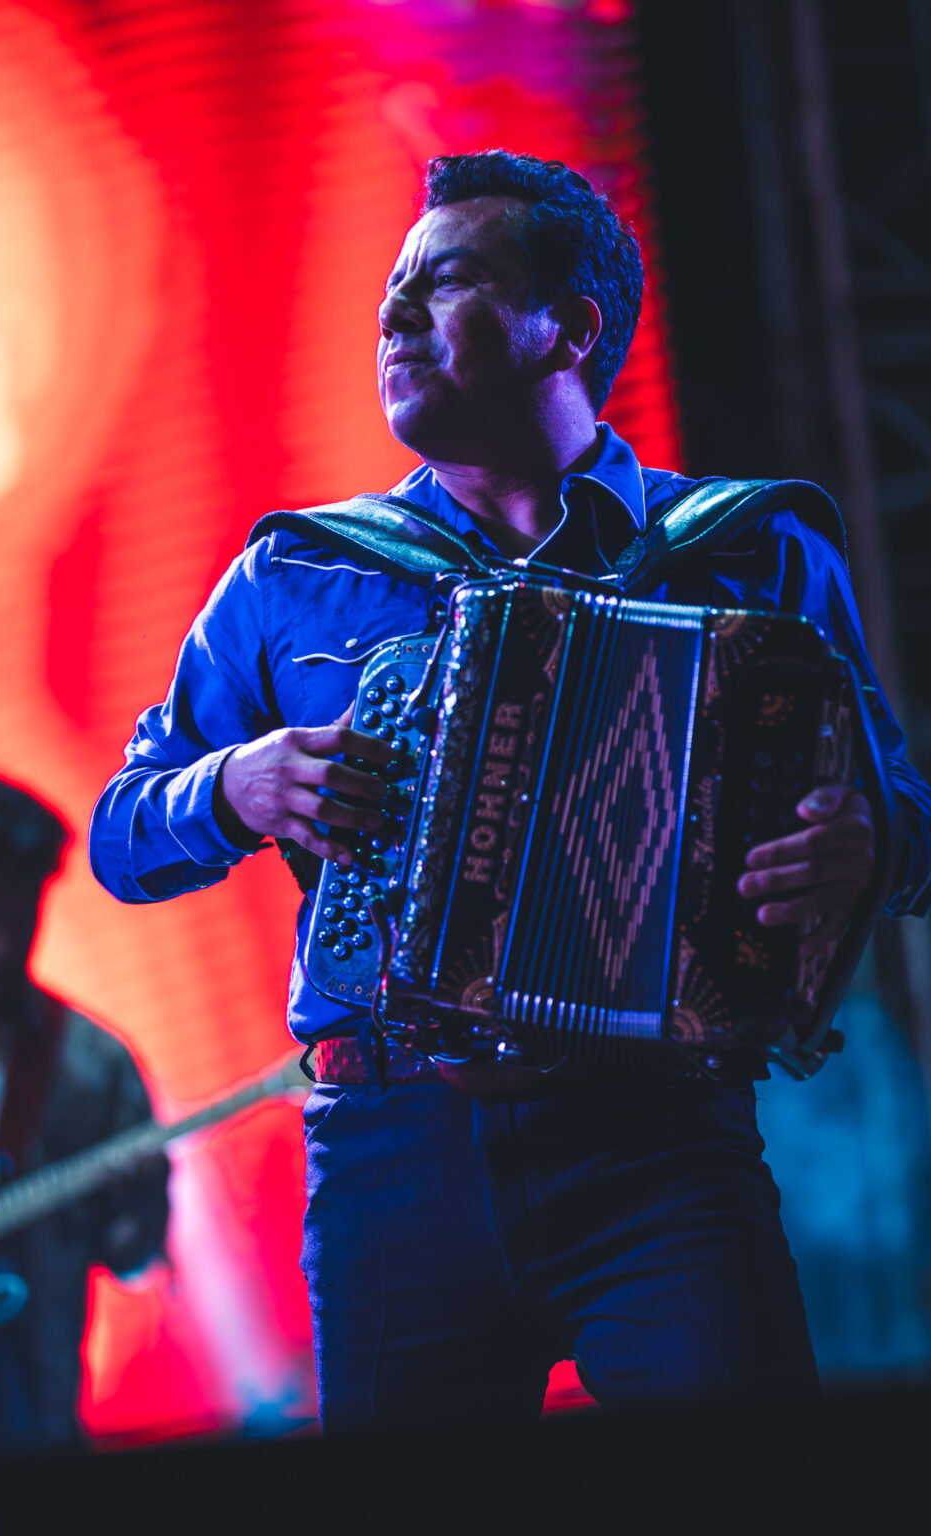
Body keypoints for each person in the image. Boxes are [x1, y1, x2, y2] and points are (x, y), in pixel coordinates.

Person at [89, 151, 931, 1429]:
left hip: (660, 1141)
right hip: (392, 1150)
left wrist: (863, 848)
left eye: (445, 281)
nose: (392, 315)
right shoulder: (292, 574)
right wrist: (235, 787)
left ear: (570, 329)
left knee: (757, 1500)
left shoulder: (748, 548)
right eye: (390, 290)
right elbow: (121, 837)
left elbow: (910, 830)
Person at [0, 776, 169, 1455]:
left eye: (18, 923)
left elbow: (133, 1257)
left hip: (34, 1419)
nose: (1, 949)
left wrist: (139, 1201)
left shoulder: (92, 1063)